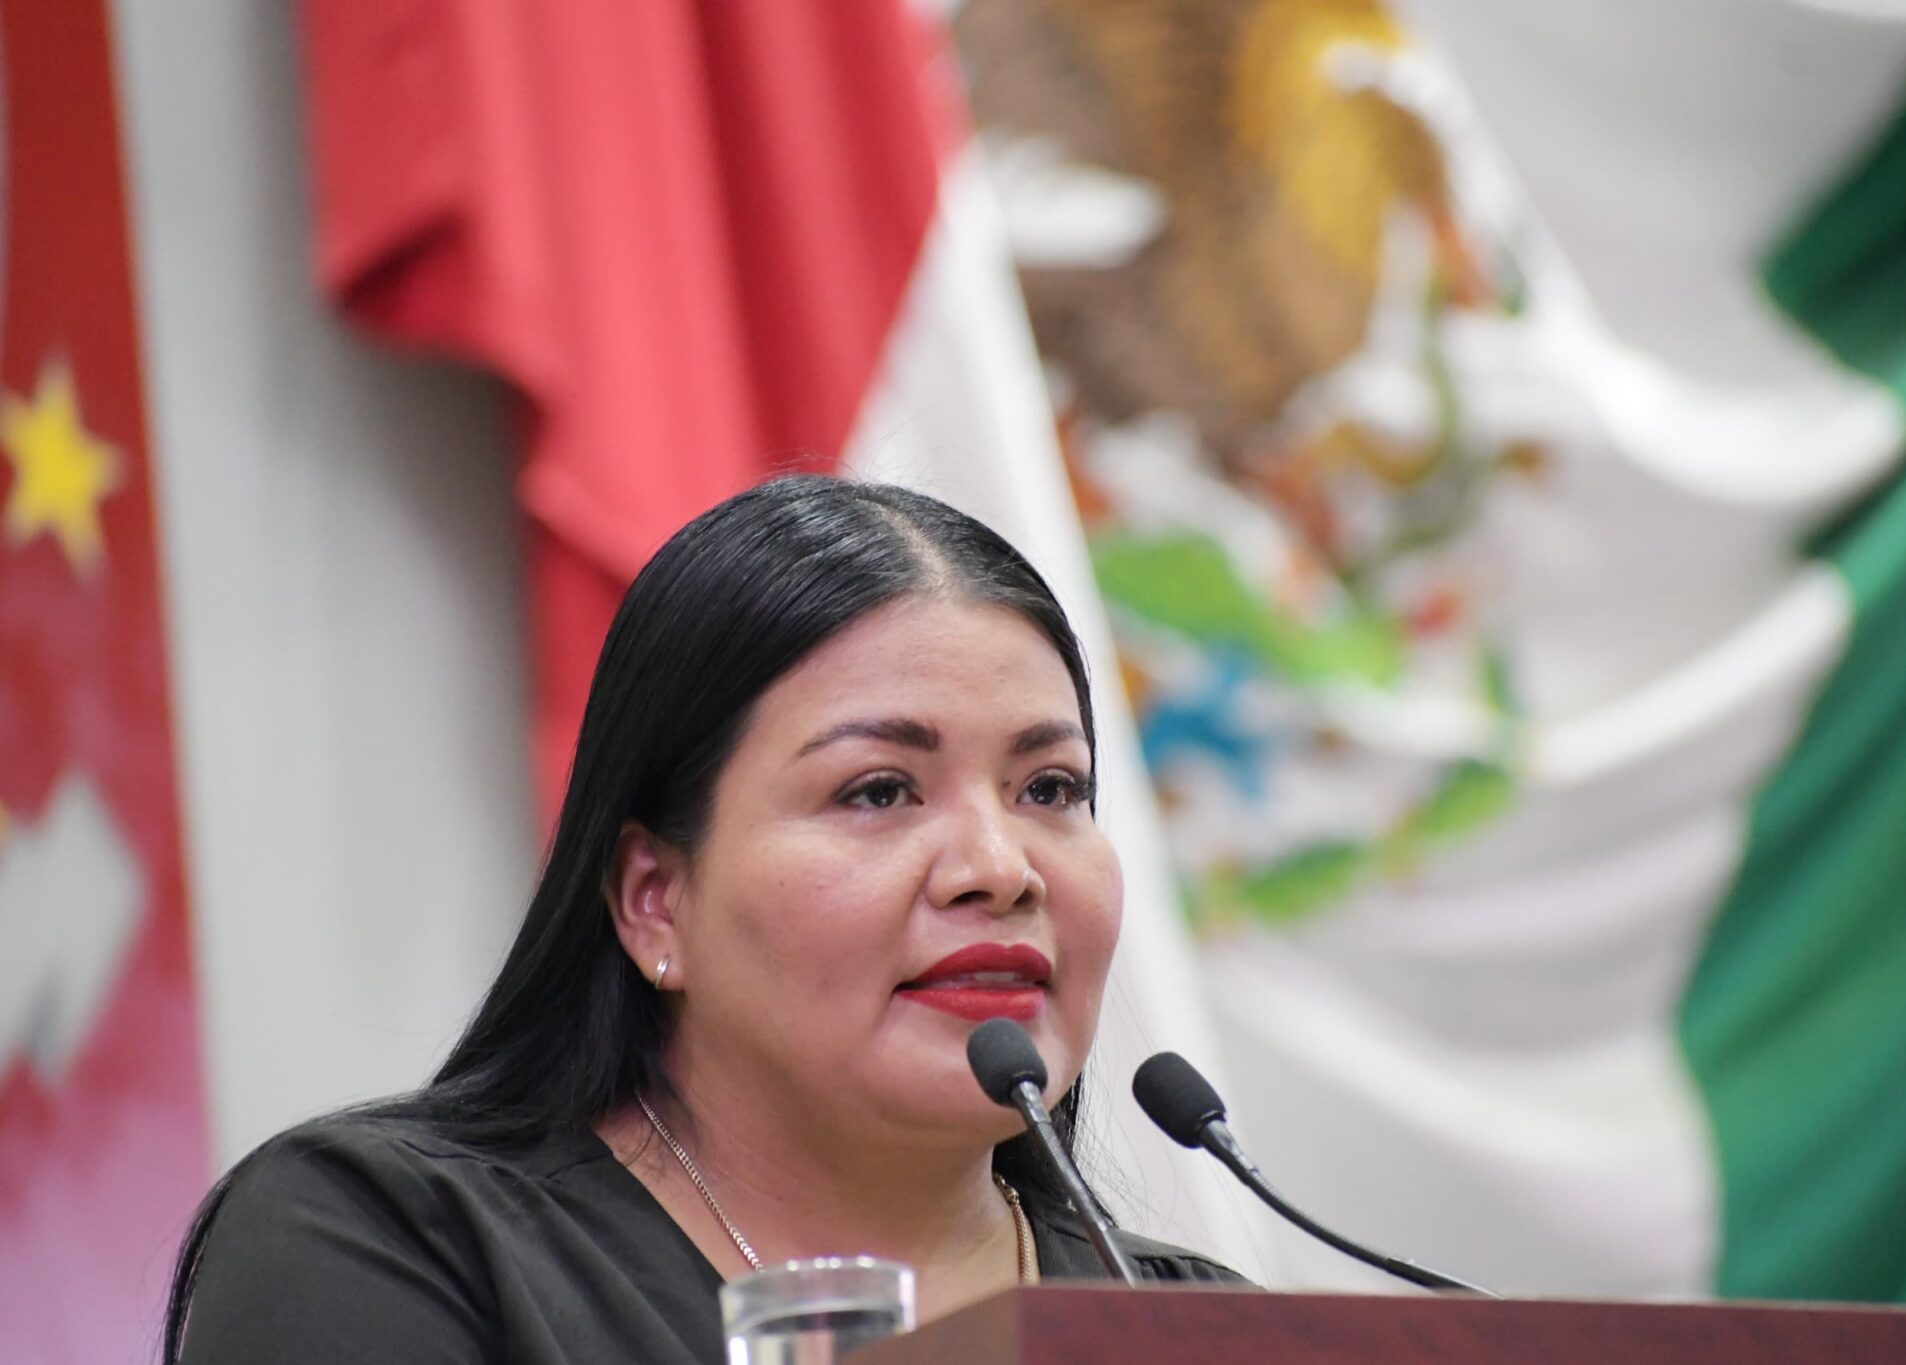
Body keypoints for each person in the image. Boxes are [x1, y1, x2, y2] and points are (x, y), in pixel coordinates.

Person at [164, 476, 1246, 1363]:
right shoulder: (393, 1244)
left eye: (1050, 789)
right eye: (878, 790)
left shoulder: (1207, 1333)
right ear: (653, 898)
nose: (998, 870)